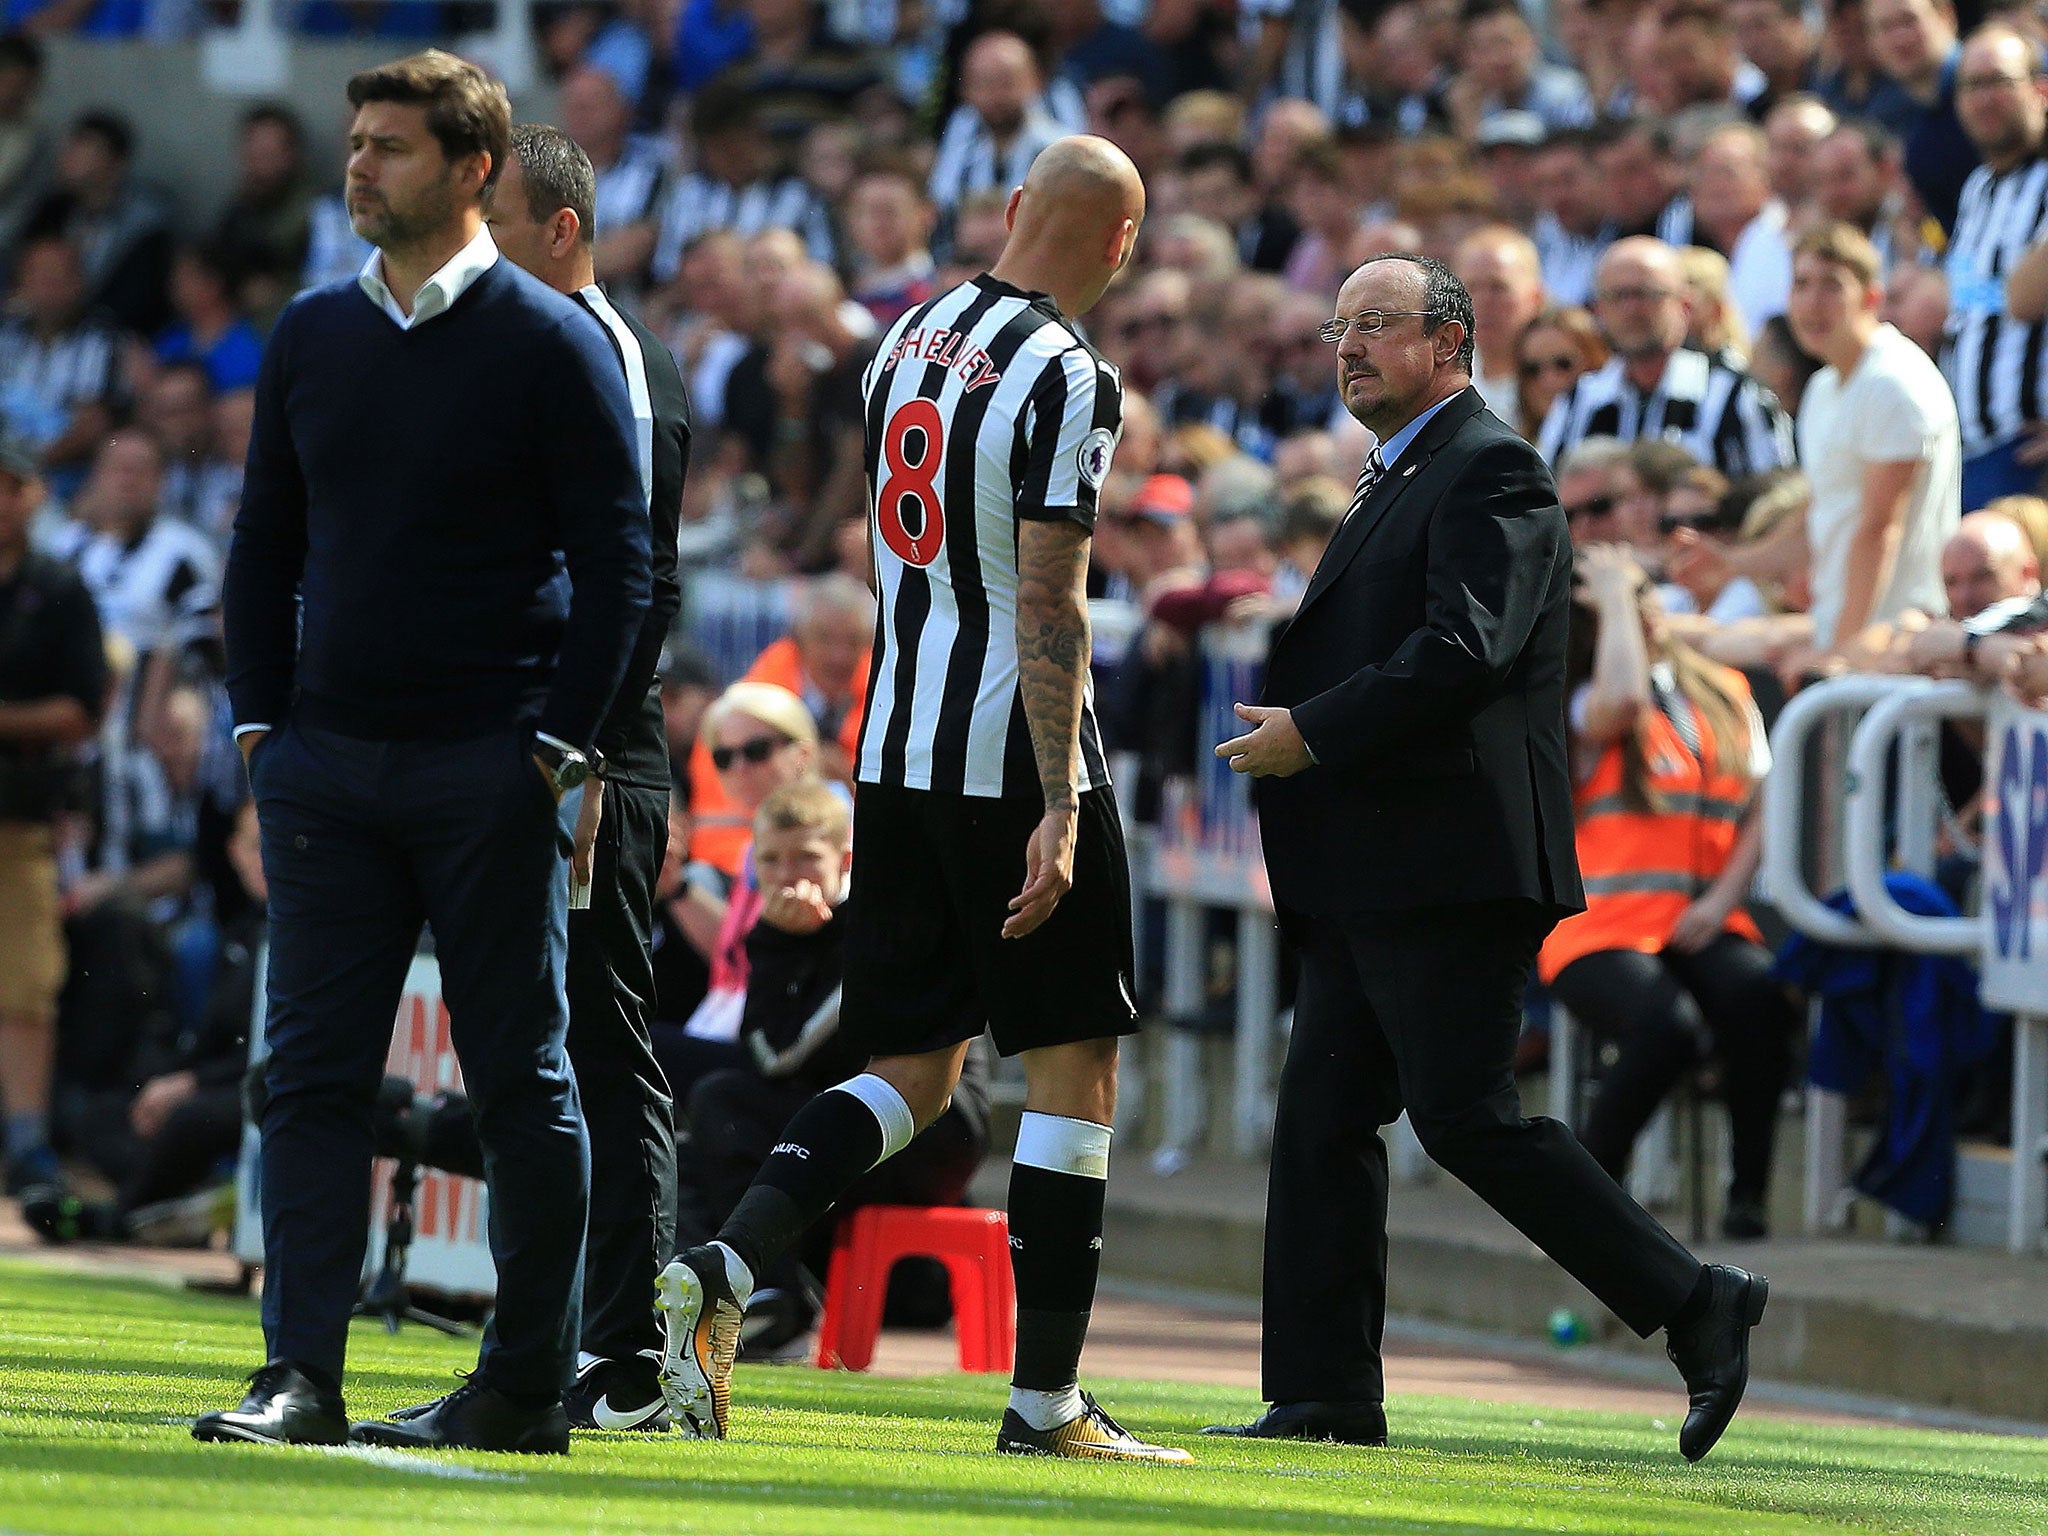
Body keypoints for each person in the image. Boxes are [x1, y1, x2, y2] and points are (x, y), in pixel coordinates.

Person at [653, 135, 1188, 1464]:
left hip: (893, 749)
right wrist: (1061, 797)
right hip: (1010, 753)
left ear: (1013, 212)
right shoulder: (1069, 374)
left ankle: (727, 1266)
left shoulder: (910, 330)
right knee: (1074, 1066)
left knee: (909, 1064)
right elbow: (1053, 596)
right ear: (1118, 248)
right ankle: (1045, 1400)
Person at [1209, 251, 1766, 1461]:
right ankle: (1321, 1393)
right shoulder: (1398, 468)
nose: (1345, 347)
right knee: (1320, 1120)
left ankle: (1691, 1301)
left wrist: (1316, 731)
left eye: (1375, 326)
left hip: (1448, 861)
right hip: (1377, 859)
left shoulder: (1492, 467)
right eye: (1336, 328)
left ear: (1449, 341)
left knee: (1462, 1118)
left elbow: (1464, 648)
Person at [202, 51, 650, 1455]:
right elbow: (264, 542)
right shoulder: (311, 336)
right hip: (325, 764)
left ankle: (522, 1385)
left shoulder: (554, 343)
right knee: (309, 1077)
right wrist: (264, 728)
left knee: (523, 1079)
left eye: (389, 146)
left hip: (485, 766)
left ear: (472, 172)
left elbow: (621, 571)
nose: (358, 166)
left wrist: (552, 749)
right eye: (356, 141)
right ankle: (301, 1380)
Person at [479, 122, 693, 1434]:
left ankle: (628, 1353)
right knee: (533, 1052)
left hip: (592, 756)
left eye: (494, 227)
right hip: (537, 741)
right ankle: (556, 1337)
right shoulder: (524, 356)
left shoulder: (614, 362)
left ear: (561, 228)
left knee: (604, 1054)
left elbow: (637, 587)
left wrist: (573, 751)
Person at [674, 779, 991, 1355]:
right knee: (699, 1142)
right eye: (769, 859)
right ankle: (753, 1300)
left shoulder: (870, 922)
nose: (787, 873)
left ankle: (773, 1297)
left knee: (723, 1100)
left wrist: (773, 941)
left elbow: (778, 1054)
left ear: (844, 860)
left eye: (806, 857)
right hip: (843, 1117)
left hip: (932, 1125)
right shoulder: (795, 935)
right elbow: (771, 1054)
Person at [1542, 544, 1799, 1241]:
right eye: (1624, 604)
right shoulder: (1575, 694)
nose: (1644, 611)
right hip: (1599, 928)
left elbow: (1761, 804)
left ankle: (1748, 1197)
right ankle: (1589, 1196)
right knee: (1667, 1028)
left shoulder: (1723, 691)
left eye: (1647, 597)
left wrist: (1721, 902)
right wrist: (1616, 596)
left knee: (1757, 1002)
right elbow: (1621, 700)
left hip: (1701, 918)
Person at [0, 433, 104, 1199]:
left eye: (10, 487)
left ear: (32, 496)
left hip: (20, 819)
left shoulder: (59, 588)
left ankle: (28, 1142)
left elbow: (83, 712)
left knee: (27, 986)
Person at [1784, 220, 1958, 652]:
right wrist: (1732, 563)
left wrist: (1842, 653)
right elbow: (1822, 514)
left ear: (1871, 297)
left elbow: (1880, 529)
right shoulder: (1824, 385)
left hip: (1898, 637)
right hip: (1844, 629)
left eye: (1831, 286)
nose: (1812, 303)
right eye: (1801, 284)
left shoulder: (1894, 383)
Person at [1538, 237, 1794, 480]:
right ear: (1597, 310)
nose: (1632, 310)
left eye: (1646, 294)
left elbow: (1773, 505)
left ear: (1684, 305)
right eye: (1618, 296)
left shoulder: (1739, 397)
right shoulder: (1577, 403)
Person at [1938, 25, 2048, 508]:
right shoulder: (1978, 188)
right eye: (1970, 86)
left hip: (2030, 456)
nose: (1983, 100)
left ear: (2040, 89)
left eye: (1998, 82)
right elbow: (1973, 299)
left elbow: (2024, 301)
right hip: (1972, 451)